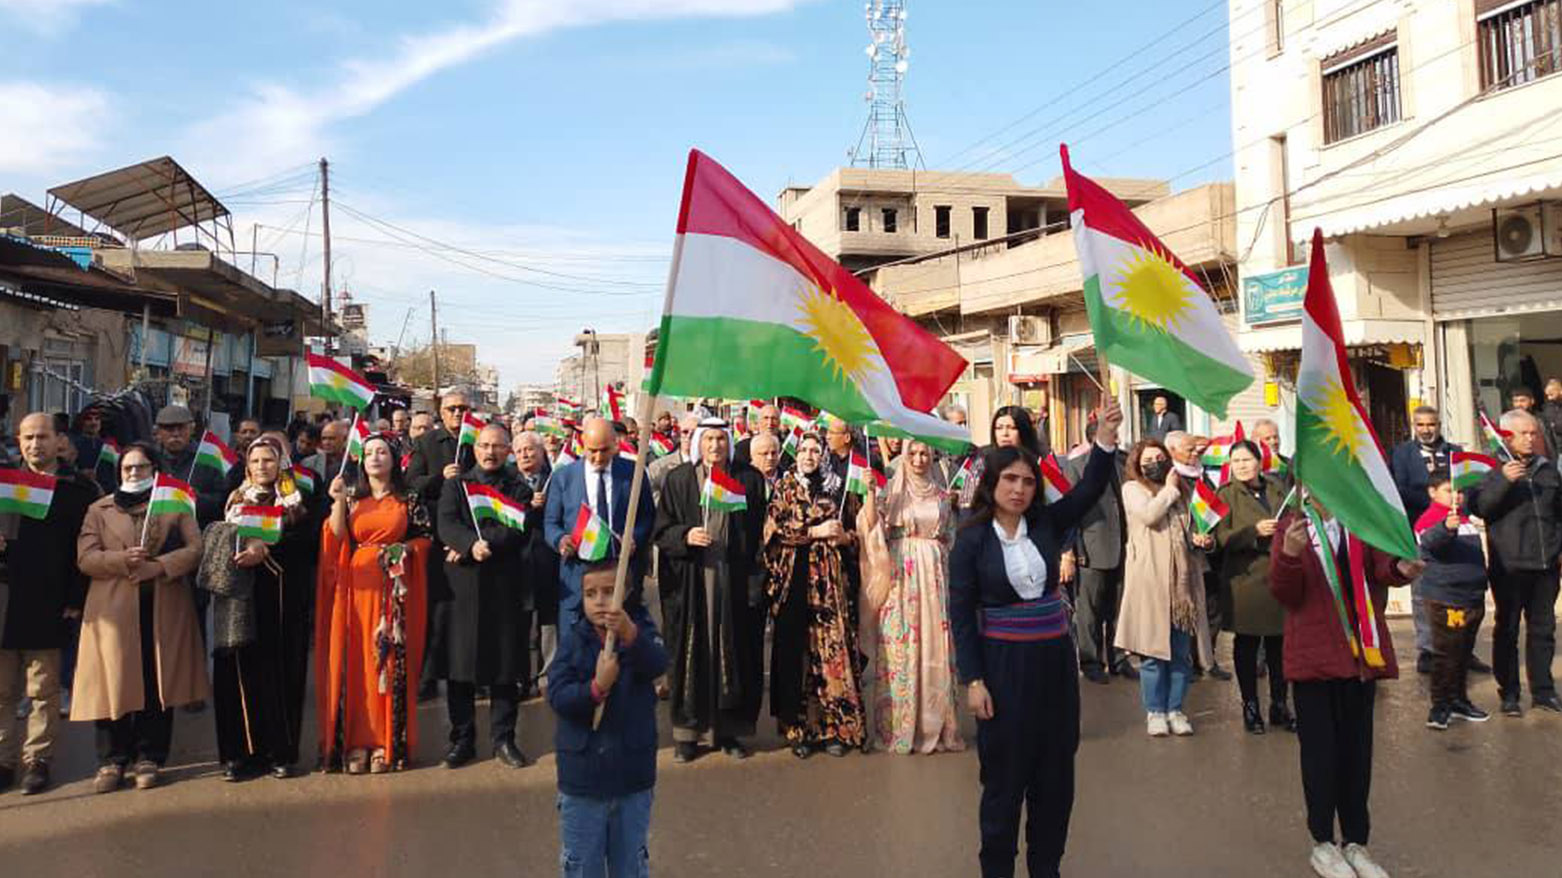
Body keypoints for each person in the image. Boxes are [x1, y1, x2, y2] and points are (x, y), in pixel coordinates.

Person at [948, 399, 1122, 878]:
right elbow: (961, 614)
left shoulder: (1046, 524)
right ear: (992, 483)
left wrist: (1105, 437)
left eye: (1027, 481)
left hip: (1053, 668)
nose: (1020, 488)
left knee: (1055, 782)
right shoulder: (972, 539)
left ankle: (1048, 868)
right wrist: (974, 679)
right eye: (1010, 480)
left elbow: (1088, 490)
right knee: (1004, 783)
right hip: (1003, 669)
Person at [1269, 498, 1420, 878]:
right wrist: (1289, 554)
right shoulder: (1291, 526)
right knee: (1321, 758)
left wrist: (1401, 568)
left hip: (1359, 658)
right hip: (1313, 659)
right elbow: (1284, 593)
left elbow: (1381, 567)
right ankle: (1323, 843)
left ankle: (1356, 842)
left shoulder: (1358, 521)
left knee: (1357, 756)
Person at [73, 442, 208, 793]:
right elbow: (86, 558)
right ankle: (112, 760)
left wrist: (159, 567)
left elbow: (195, 549)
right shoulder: (98, 509)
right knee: (112, 682)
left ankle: (150, 756)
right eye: (128, 468)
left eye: (141, 467)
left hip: (161, 606)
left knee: (155, 680)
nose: (134, 473)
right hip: (112, 611)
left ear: (154, 469)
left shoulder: (174, 505)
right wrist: (122, 561)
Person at [315, 434, 432, 773]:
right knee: (356, 665)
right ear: (361, 461)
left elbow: (425, 537)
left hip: (393, 591)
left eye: (382, 452)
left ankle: (385, 741)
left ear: (394, 459)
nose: (375, 457)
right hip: (354, 591)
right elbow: (336, 536)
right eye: (368, 453)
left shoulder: (408, 498)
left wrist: (406, 550)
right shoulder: (351, 497)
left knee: (388, 662)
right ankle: (355, 741)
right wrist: (336, 500)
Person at [653, 418, 767, 762]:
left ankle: (730, 732)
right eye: (709, 439)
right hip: (692, 581)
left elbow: (759, 531)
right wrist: (686, 536)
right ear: (698, 443)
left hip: (733, 579)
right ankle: (688, 734)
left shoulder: (747, 479)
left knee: (734, 654)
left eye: (720, 439)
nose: (715, 446)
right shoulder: (679, 480)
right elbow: (662, 529)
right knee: (690, 653)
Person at [548, 565, 669, 878]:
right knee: (582, 864)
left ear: (626, 594)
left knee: (629, 864)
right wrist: (595, 688)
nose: (600, 601)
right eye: (591, 594)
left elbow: (658, 663)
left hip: (632, 778)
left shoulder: (640, 629)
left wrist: (631, 634)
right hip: (583, 780)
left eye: (608, 592)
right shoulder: (574, 639)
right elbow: (558, 695)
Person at [0, 413, 98, 795]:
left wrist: (75, 599)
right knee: (3, 691)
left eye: (42, 436)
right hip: (5, 597)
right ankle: (3, 759)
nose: (34, 444)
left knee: (42, 690)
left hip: (50, 601)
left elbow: (86, 549)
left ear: (59, 441)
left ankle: (37, 761)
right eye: (27, 437)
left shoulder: (78, 491)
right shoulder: (4, 485)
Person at [206, 437, 312, 781]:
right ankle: (238, 755)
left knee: (279, 673)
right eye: (255, 461)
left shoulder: (296, 499)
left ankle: (280, 752)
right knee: (238, 671)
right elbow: (222, 537)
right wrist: (245, 545)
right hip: (241, 599)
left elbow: (308, 543)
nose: (262, 466)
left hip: (281, 595)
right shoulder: (236, 498)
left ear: (280, 462)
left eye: (269, 460)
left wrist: (266, 547)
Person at [432, 423, 534, 769]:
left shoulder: (517, 487)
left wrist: (482, 544)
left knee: (505, 667)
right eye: (484, 446)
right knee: (460, 666)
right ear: (475, 449)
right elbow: (445, 523)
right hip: (461, 587)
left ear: (508, 450)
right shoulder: (456, 484)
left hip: (504, 584)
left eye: (498, 446)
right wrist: (466, 544)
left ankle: (504, 738)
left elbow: (518, 526)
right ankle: (462, 739)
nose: (490, 452)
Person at [765, 432, 867, 758]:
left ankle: (835, 728)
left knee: (831, 652)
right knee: (799, 654)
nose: (809, 455)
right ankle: (800, 731)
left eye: (815, 450)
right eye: (804, 450)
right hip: (793, 581)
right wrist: (813, 531)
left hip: (831, 585)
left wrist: (844, 537)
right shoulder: (784, 487)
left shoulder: (839, 489)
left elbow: (857, 532)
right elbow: (774, 530)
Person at [862, 438, 963, 754]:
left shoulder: (942, 495)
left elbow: (949, 537)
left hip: (933, 578)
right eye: (913, 453)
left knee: (935, 647)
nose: (919, 459)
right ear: (903, 456)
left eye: (924, 453)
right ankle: (899, 727)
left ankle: (935, 724)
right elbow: (869, 527)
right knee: (901, 648)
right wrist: (868, 493)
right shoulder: (891, 491)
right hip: (900, 579)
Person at [1465, 409, 1562, 716]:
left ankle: (1543, 691)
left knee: (1543, 630)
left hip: (1545, 565)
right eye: (1523, 433)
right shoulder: (1490, 470)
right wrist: (1504, 481)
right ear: (1506, 435)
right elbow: (1480, 507)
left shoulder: (1548, 470)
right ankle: (1509, 692)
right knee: (1507, 629)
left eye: (1534, 433)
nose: (1531, 439)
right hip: (1509, 565)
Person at [1116, 438, 1213, 737]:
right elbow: (1148, 515)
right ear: (1138, 463)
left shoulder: (1182, 492)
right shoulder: (1133, 489)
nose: (1155, 463)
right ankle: (1155, 711)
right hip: (1149, 580)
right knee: (1153, 654)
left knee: (1181, 652)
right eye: (1149, 459)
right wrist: (1170, 489)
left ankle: (1176, 709)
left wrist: (1200, 539)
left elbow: (1191, 525)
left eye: (1160, 457)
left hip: (1181, 583)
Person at [1212, 440, 1292, 735]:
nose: (1242, 466)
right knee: (1247, 646)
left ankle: (1280, 704)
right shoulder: (1227, 494)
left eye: (1247, 460)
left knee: (1279, 646)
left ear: (1260, 461)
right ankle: (1250, 706)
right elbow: (1221, 537)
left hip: (1279, 576)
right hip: (1245, 579)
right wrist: (1253, 532)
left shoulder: (1277, 488)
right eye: (1236, 462)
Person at [543, 417, 657, 621]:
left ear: (615, 444)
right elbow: (551, 523)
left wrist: (634, 538)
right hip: (577, 575)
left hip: (620, 573)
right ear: (583, 444)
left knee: (620, 646)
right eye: (591, 450)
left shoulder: (633, 473)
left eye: (604, 450)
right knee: (576, 648)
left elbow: (647, 516)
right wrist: (560, 540)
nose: (597, 457)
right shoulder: (564, 477)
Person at [1388, 405, 1463, 675]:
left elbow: (1467, 484)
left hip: (1455, 531)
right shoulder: (1401, 453)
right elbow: (1400, 489)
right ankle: (1428, 649)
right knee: (1421, 593)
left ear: (1439, 424)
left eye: (1431, 424)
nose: (1426, 430)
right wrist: (1434, 500)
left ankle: (1461, 648)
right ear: (1413, 425)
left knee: (1457, 589)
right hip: (1418, 530)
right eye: (1420, 425)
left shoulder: (1455, 452)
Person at [406, 391, 471, 700]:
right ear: (441, 412)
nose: (458, 413)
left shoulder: (476, 442)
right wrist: (439, 478)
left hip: (469, 538)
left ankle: (470, 674)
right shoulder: (426, 443)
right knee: (433, 610)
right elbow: (411, 483)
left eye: (463, 408)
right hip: (434, 537)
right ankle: (428, 676)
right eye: (452, 408)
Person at [1415, 474, 1491, 730]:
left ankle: (1459, 700)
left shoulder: (1467, 519)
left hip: (1472, 597)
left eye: (1459, 491)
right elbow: (1429, 544)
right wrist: (1446, 527)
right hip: (1446, 599)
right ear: (1432, 492)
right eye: (1449, 491)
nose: (1456, 496)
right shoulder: (1430, 519)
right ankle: (1440, 706)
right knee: (1446, 655)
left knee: (1462, 654)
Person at [1060, 420, 1132, 685]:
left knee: (1118, 606)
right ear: (1095, 438)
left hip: (1124, 545)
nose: (1116, 438)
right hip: (1091, 547)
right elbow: (1071, 511)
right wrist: (1072, 550)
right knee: (1089, 610)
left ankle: (1119, 658)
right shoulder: (1078, 467)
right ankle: (1091, 661)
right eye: (1111, 434)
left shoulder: (1123, 463)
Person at [514, 430, 559, 686]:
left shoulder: (556, 479)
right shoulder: (509, 482)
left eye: (530, 449)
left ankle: (547, 675)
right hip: (517, 560)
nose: (525, 455)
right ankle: (521, 677)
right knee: (520, 622)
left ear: (542, 452)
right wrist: (528, 506)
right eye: (519, 451)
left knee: (549, 620)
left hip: (548, 558)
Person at [956, 406, 1047, 513]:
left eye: (1012, 428)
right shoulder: (982, 458)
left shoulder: (1038, 461)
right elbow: (966, 497)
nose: (1005, 434)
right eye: (999, 428)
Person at [733, 404, 793, 473]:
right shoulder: (742, 448)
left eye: (774, 418)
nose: (770, 423)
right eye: (766, 418)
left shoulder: (787, 450)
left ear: (779, 423)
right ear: (758, 422)